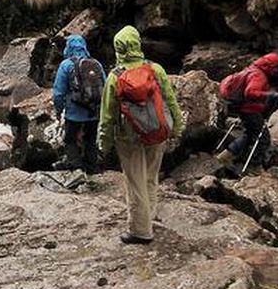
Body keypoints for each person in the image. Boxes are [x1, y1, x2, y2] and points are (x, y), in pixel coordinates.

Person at [98, 26, 182, 245]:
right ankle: (149, 217)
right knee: (150, 177)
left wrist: (103, 144)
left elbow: (107, 116)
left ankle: (140, 230)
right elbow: (171, 101)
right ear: (137, 44)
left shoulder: (115, 77)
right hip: (157, 132)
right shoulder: (155, 69)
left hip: (129, 137)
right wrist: (177, 127)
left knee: (135, 182)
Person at [220, 53, 278, 177]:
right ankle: (255, 167)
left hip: (243, 109)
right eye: (275, 68)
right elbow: (250, 92)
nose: (276, 71)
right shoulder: (259, 75)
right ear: (268, 66)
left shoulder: (250, 70)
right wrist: (270, 95)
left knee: (249, 135)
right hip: (251, 110)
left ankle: (225, 156)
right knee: (263, 138)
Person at [52, 33, 103, 175]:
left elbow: (58, 93)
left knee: (70, 139)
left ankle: (77, 168)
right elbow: (104, 87)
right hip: (93, 113)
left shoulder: (66, 65)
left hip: (73, 114)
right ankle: (92, 169)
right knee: (90, 140)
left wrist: (58, 110)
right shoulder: (95, 64)